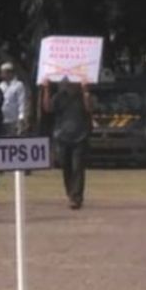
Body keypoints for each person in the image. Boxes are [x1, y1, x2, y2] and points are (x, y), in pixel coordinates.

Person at [43, 79, 93, 209]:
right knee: (66, 166)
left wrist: (85, 90)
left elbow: (89, 108)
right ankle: (71, 193)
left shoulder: (83, 96)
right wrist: (46, 89)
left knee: (77, 167)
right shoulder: (59, 97)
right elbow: (47, 108)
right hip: (62, 136)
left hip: (80, 136)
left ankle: (76, 197)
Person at [0, 63, 29, 137]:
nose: (2, 75)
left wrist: (21, 116)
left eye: (4, 72)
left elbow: (21, 102)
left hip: (14, 119)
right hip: (3, 118)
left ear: (10, 73)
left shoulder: (19, 85)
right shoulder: (0, 85)